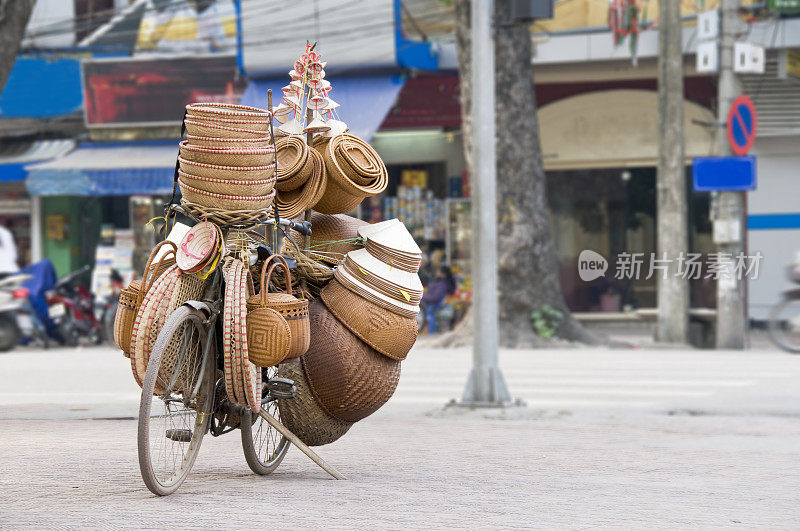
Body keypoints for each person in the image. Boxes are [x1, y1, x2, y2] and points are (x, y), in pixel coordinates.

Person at [421, 265, 455, 334]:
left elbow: (435, 297)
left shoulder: (442, 284)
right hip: (433, 304)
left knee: (430, 318)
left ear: (443, 274)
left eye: (438, 271)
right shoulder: (442, 283)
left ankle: (431, 333)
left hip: (433, 306)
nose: (436, 273)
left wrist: (423, 296)